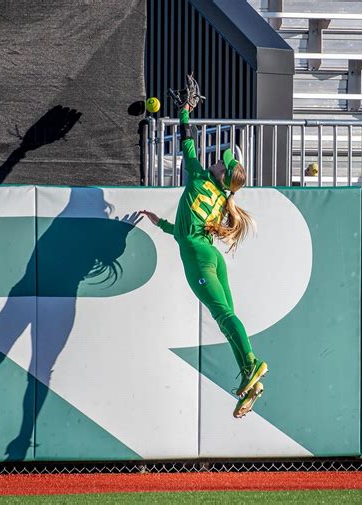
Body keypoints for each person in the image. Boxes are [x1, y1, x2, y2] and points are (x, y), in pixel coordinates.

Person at [141, 99, 268, 418]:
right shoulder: (224, 197)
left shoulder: (199, 177)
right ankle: (250, 378)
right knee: (227, 320)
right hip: (210, 257)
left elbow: (187, 142)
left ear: (221, 174)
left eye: (222, 163)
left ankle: (253, 364)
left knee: (225, 317)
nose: (218, 161)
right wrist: (163, 224)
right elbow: (190, 229)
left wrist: (184, 111)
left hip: (199, 259)